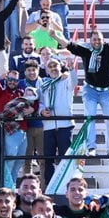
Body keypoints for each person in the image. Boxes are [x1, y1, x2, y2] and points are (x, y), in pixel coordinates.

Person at [38, 56, 77, 184]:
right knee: (48, 158)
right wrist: (42, 111)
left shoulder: (66, 80)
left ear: (60, 67)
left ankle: (65, 185)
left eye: (55, 66)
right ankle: (50, 186)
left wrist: (71, 69)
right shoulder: (44, 85)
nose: (53, 68)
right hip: (48, 127)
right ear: (47, 70)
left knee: (64, 158)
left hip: (64, 125)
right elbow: (41, 103)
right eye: (50, 66)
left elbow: (74, 82)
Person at [19, 59, 45, 185]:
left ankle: (44, 186)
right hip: (26, 126)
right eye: (29, 70)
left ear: (38, 70)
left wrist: (34, 109)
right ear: (24, 72)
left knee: (43, 158)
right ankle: (27, 186)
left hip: (42, 125)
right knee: (27, 159)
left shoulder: (43, 83)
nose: (31, 72)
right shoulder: (21, 84)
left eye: (34, 70)